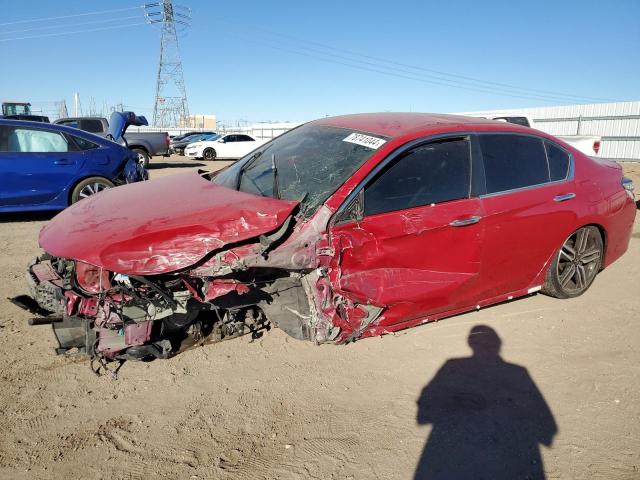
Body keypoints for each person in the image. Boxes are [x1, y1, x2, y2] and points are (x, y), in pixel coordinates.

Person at [415, 325, 557, 479]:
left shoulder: (453, 365)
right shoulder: (517, 371)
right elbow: (546, 426)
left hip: (460, 452)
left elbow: (425, 409)